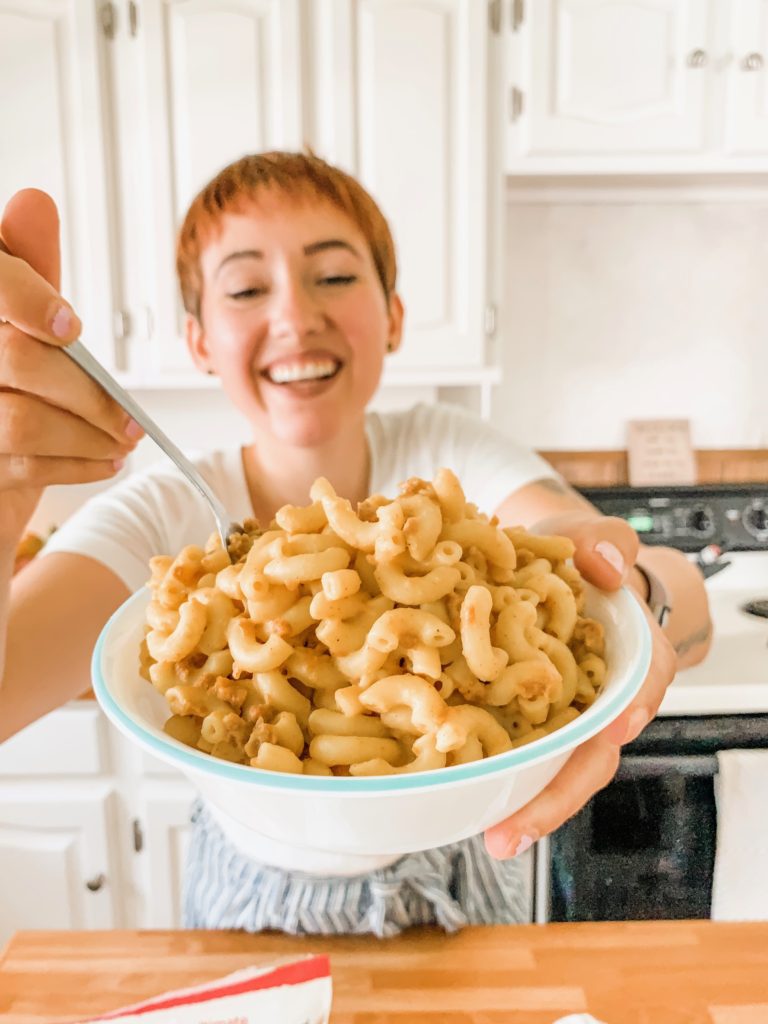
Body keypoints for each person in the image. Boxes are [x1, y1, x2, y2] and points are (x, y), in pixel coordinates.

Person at [0, 152, 711, 935]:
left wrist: (636, 591)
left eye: (333, 277)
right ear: (199, 340)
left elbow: (644, 574)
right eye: (245, 288)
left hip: (467, 878)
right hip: (247, 899)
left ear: (395, 315)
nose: (295, 316)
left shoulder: (453, 452)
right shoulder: (162, 515)